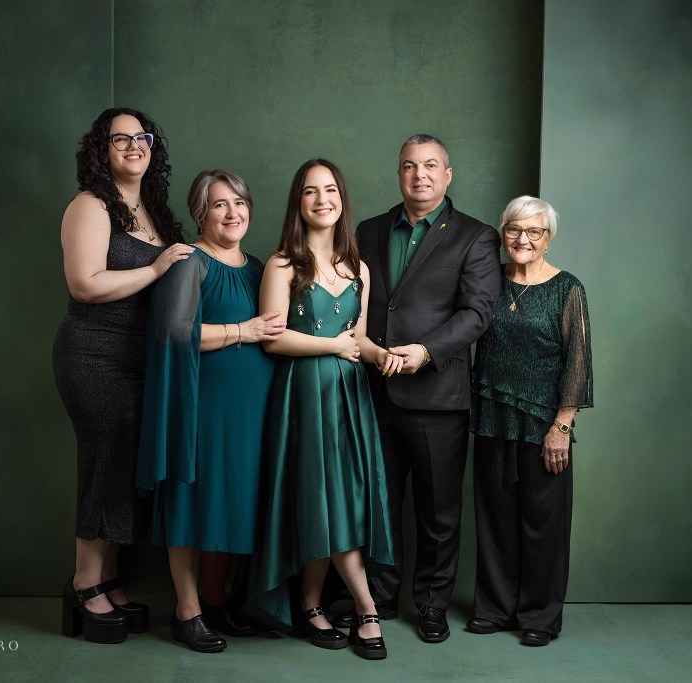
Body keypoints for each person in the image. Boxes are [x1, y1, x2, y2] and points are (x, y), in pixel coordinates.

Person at [348, 134, 502, 643]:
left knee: (437, 514)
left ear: (448, 174)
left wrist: (427, 351)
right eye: (410, 166)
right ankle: (379, 598)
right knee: (379, 504)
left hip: (438, 395)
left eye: (431, 166)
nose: (420, 175)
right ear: (398, 174)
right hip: (373, 389)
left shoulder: (476, 237)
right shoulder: (367, 230)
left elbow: (477, 313)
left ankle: (432, 604)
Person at [54, 107, 194, 645]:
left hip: (141, 359)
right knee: (105, 460)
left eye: (142, 137)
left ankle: (107, 578)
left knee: (123, 464)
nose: (134, 146)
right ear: (102, 150)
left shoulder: (154, 209)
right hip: (92, 353)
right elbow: (85, 285)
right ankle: (84, 584)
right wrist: (157, 268)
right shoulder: (89, 206)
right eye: (121, 139)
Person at [251, 160, 398, 660]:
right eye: (310, 192)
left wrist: (384, 356)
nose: (322, 200)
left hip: (351, 396)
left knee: (338, 500)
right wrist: (332, 349)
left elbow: (358, 338)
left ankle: (311, 604)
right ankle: (366, 606)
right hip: (304, 392)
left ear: (342, 199)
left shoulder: (359, 266)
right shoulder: (282, 264)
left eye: (330, 190)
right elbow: (273, 339)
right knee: (325, 494)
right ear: (298, 202)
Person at [136, 169, 285, 653]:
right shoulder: (188, 262)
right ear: (201, 212)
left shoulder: (258, 267)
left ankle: (216, 598)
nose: (231, 213)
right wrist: (242, 331)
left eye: (238, 203)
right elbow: (175, 334)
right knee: (192, 500)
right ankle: (187, 610)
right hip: (204, 405)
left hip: (251, 409)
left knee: (228, 500)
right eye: (219, 204)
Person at [466, 195, 593, 647]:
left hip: (543, 425)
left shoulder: (567, 288)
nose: (523, 240)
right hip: (491, 416)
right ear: (503, 233)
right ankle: (495, 609)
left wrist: (562, 426)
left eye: (534, 232)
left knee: (543, 523)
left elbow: (578, 362)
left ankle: (540, 615)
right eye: (515, 230)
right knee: (495, 518)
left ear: (548, 238)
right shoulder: (486, 282)